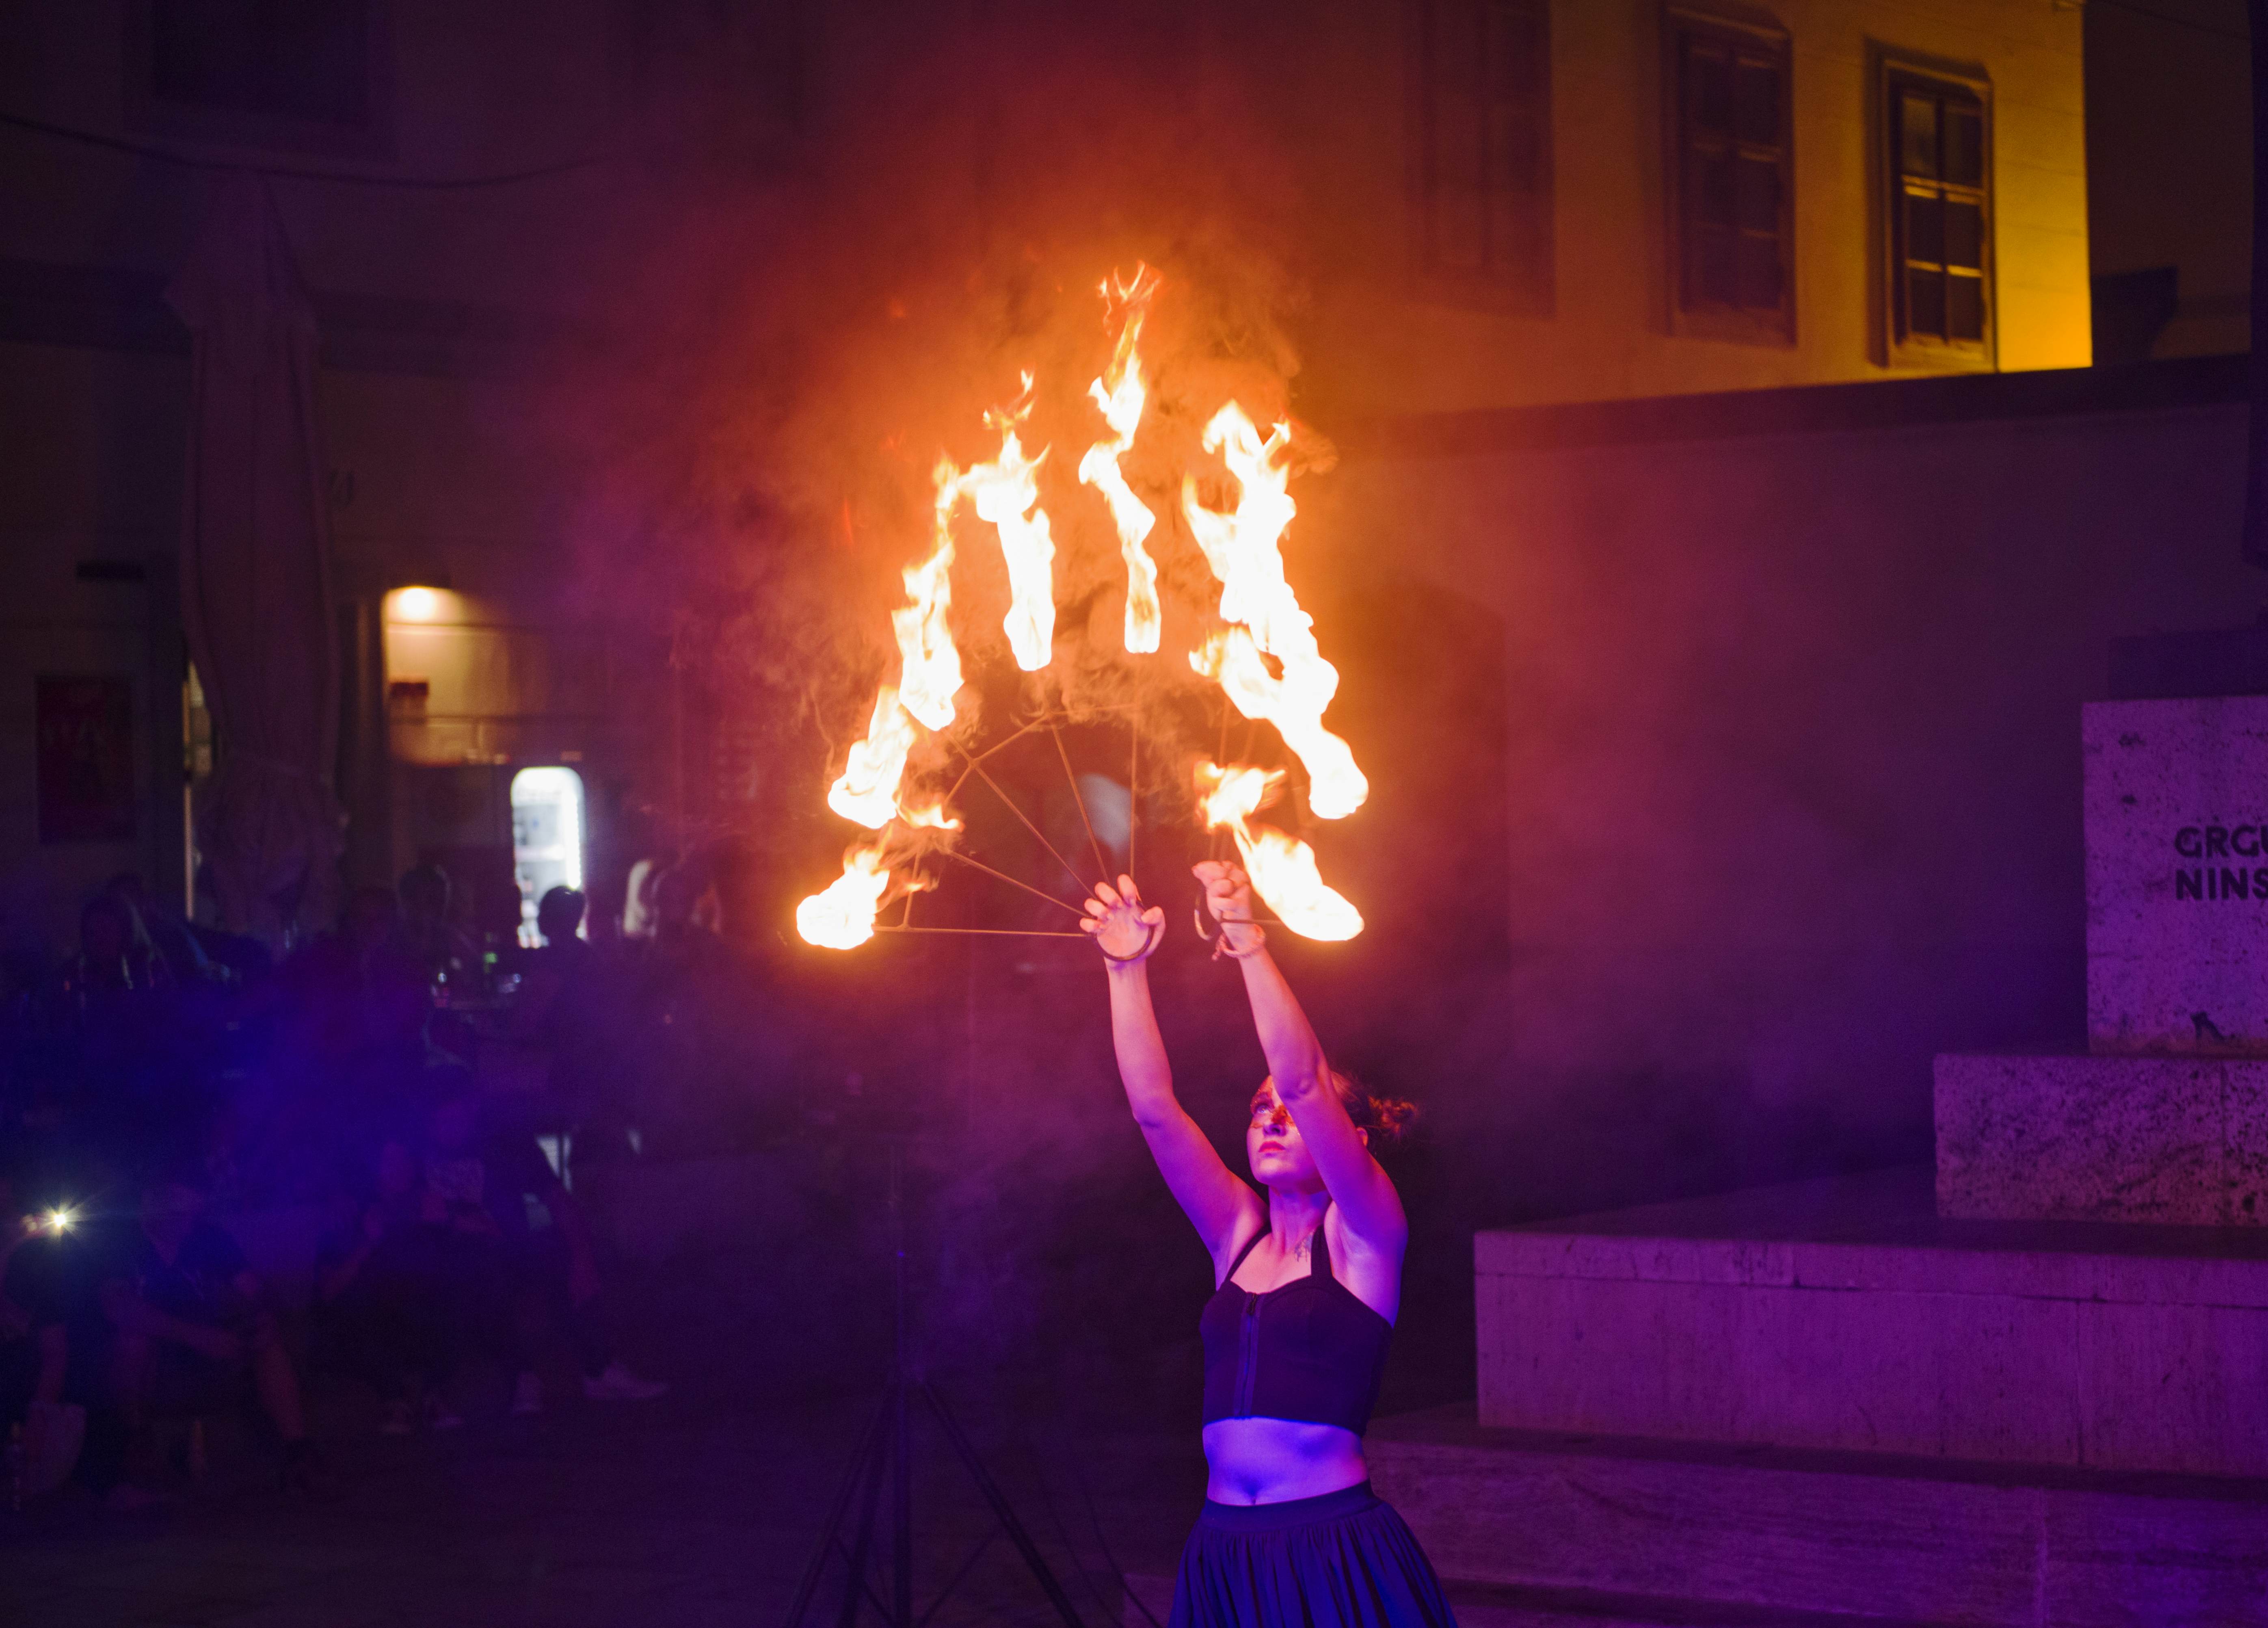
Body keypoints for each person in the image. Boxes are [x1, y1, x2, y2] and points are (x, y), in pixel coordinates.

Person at [1083, 863, 1456, 1628]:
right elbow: (1156, 1111)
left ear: (1351, 1140)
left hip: (1328, 1544)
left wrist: (1247, 939)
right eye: (1259, 1108)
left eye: (1289, 1112)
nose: (1273, 1118)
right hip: (1223, 1548)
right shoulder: (1236, 1234)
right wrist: (1126, 969)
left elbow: (1308, 1078)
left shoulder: (1365, 1234)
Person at [93, 1166, 322, 1493]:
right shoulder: (122, 1244)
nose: (183, 1219)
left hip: (211, 1348)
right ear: (151, 1204)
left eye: (189, 1211)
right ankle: (134, 1449)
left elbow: (251, 1288)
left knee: (265, 1340)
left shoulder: (208, 1237)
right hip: (158, 1353)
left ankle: (298, 1453)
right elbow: (117, 1308)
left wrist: (257, 1314)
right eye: (175, 1209)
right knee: (133, 1343)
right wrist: (195, 1336)